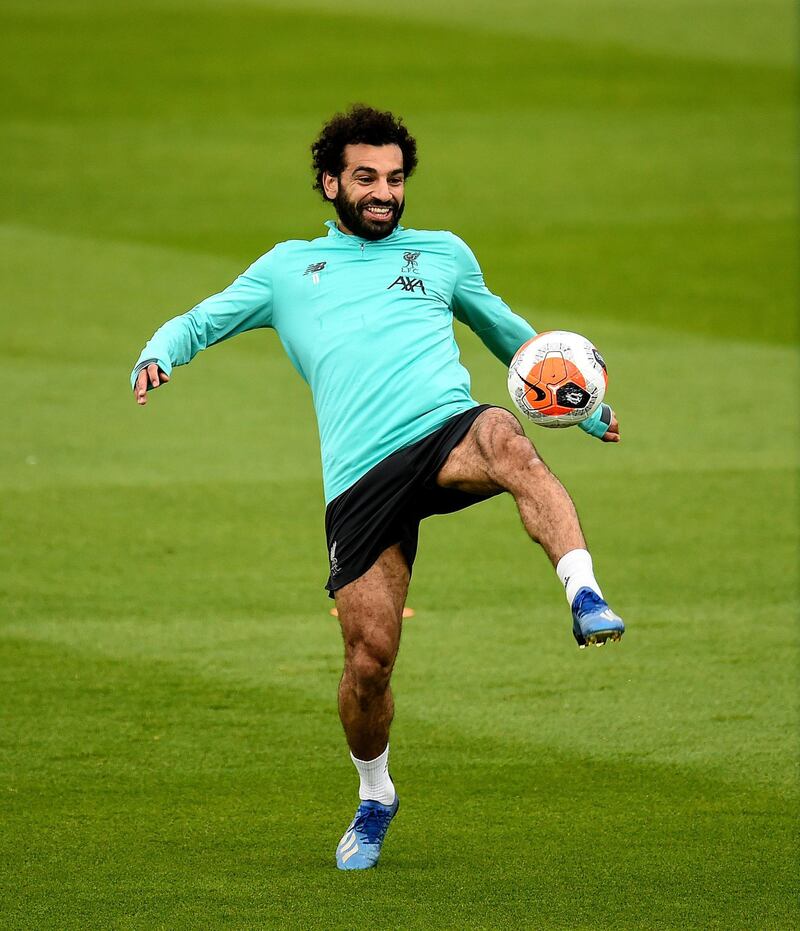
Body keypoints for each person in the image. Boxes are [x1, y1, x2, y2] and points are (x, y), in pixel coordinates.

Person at [130, 104, 625, 871]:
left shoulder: (442, 255)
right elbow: (204, 319)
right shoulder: (287, 270)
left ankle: (585, 592)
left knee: (506, 440)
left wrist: (583, 407)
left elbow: (508, 336)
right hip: (361, 478)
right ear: (331, 183)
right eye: (366, 178)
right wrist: (160, 352)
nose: (384, 193)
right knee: (370, 660)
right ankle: (375, 793)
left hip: (444, 430)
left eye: (394, 179)